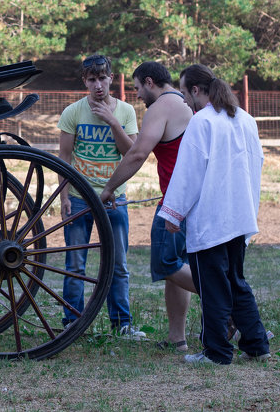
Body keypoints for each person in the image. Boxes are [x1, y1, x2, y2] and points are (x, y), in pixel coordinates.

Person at [157, 64, 272, 364]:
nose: (184, 100)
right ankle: (256, 345)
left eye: (183, 93)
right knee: (236, 282)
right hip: (239, 215)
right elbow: (256, 165)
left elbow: (189, 172)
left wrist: (173, 213)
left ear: (196, 90)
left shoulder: (202, 122)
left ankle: (217, 352)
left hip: (211, 219)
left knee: (213, 288)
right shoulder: (245, 119)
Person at [99, 61, 195, 352]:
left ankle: (227, 300)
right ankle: (177, 339)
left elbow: (138, 153)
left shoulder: (161, 107)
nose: (137, 94)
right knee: (178, 267)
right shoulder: (181, 103)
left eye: (138, 87)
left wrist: (109, 187)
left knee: (165, 264)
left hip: (176, 202)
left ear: (150, 82)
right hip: (189, 198)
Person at [58, 54, 142, 339]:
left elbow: (131, 153)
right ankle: (72, 323)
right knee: (75, 263)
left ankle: (122, 324)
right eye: (91, 80)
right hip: (80, 196)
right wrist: (64, 197)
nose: (98, 85)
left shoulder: (126, 111)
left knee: (117, 263)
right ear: (85, 81)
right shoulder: (73, 112)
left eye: (102, 79)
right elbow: (65, 158)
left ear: (110, 78)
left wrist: (112, 122)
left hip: (114, 197)